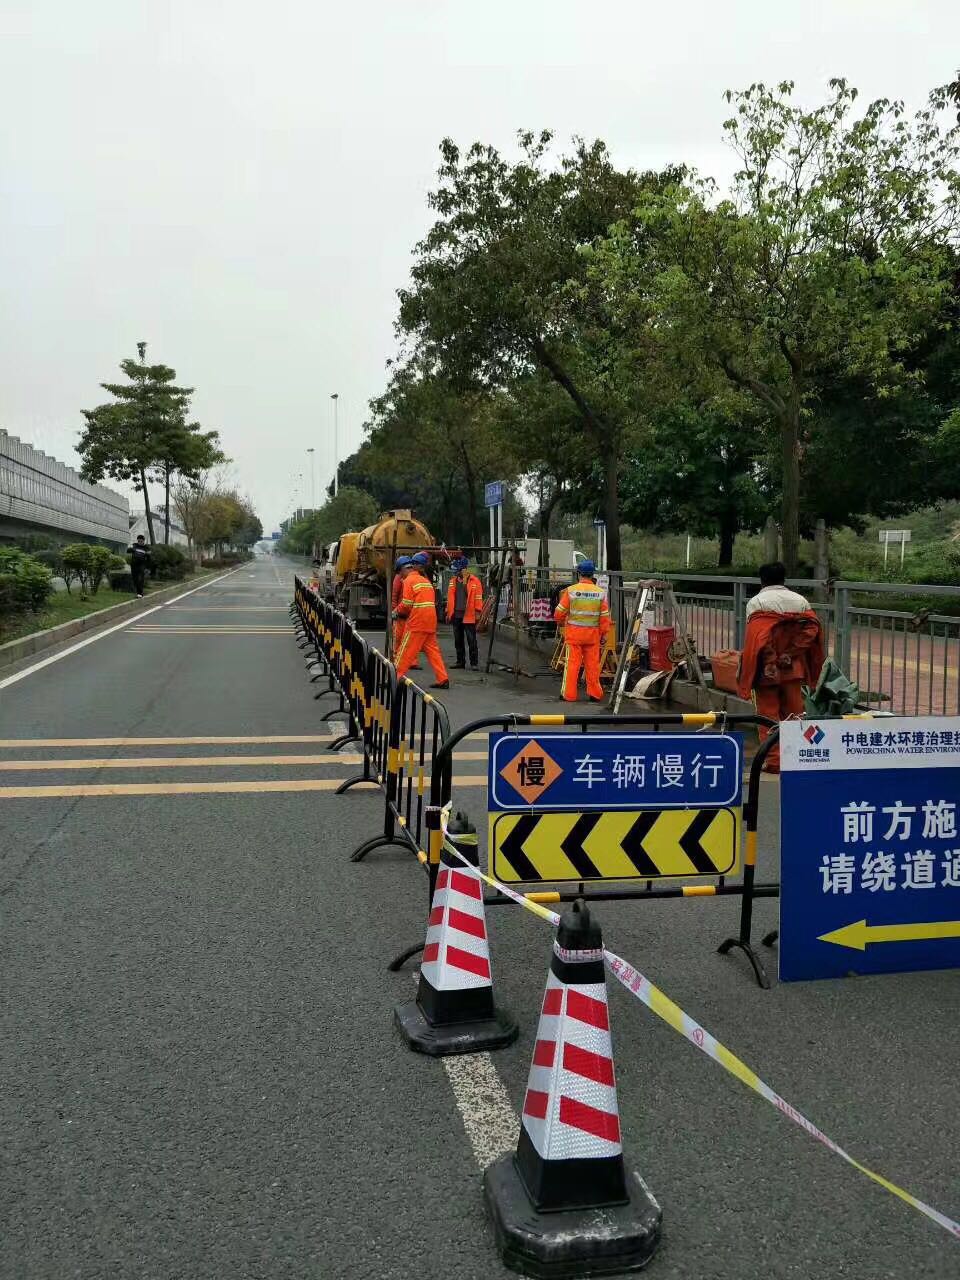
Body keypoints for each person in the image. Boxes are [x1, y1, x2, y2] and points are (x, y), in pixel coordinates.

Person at [737, 562, 825, 772]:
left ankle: (775, 762)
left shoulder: (757, 603)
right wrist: (791, 653)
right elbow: (811, 631)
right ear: (784, 579)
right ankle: (798, 757)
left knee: (767, 716)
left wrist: (771, 660)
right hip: (792, 666)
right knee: (795, 714)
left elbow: (760, 638)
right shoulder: (801, 602)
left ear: (762, 580)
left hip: (766, 671)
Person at [554, 560, 610, 702]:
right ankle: (595, 694)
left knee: (572, 665)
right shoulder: (600, 593)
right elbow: (604, 617)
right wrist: (604, 633)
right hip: (592, 637)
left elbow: (559, 613)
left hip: (574, 636)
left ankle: (569, 695)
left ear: (579, 573)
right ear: (592, 575)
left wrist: (561, 622)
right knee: (593, 666)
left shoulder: (571, 591)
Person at [393, 552, 450, 688]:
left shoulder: (409, 581)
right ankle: (443, 678)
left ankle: (394, 677)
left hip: (417, 621)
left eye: (400, 573)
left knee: (405, 650)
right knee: (433, 651)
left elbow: (406, 604)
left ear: (404, 569)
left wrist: (396, 612)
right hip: (430, 620)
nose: (400, 576)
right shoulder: (425, 581)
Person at [446, 556, 483, 670]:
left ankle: (474, 663)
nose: (456, 573)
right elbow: (450, 598)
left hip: (469, 615)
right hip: (456, 614)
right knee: (458, 640)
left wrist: (478, 612)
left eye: (458, 570)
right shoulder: (453, 581)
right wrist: (448, 612)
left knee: (471, 640)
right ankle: (460, 662)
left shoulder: (474, 581)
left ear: (464, 569)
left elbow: (478, 598)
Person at [391, 556, 420, 669]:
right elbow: (394, 596)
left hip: (410, 613)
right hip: (401, 613)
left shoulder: (413, 578)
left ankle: (412, 661)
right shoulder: (399, 578)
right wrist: (395, 611)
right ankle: (396, 659)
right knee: (398, 638)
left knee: (410, 639)